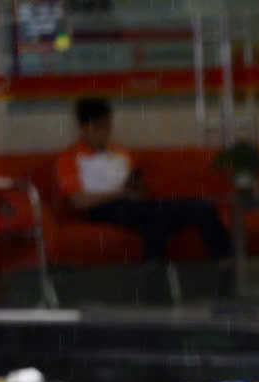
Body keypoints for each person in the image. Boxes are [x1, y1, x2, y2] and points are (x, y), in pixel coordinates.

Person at [56, 98, 232, 265]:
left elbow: (144, 195)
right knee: (154, 218)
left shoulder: (121, 153)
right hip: (102, 210)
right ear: (85, 128)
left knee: (203, 207)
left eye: (107, 126)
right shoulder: (68, 158)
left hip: (137, 205)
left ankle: (227, 266)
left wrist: (138, 191)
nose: (105, 133)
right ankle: (153, 278)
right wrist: (122, 193)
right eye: (100, 128)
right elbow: (79, 202)